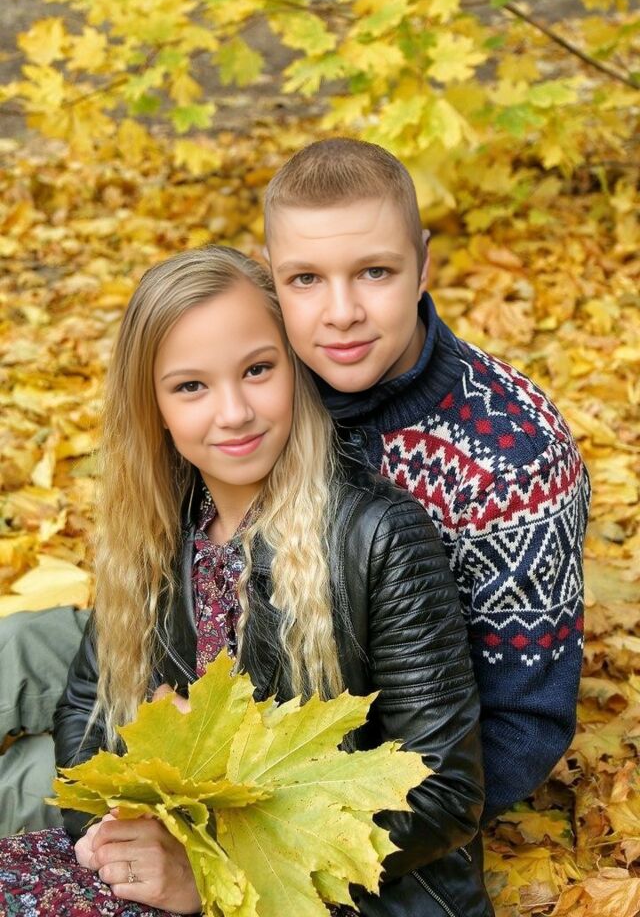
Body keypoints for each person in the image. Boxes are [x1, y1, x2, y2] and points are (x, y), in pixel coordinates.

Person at [0, 246, 492, 917]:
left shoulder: (378, 536)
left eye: (258, 370)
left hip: (329, 891)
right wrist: (107, 834)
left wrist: (210, 869)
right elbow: (89, 704)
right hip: (172, 861)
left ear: (296, 368)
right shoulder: (160, 524)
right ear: (154, 406)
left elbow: (444, 794)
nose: (233, 412)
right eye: (191, 387)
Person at [262, 136, 590, 884]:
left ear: (423, 267)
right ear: (272, 277)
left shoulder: (511, 456)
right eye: (306, 278)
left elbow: (521, 726)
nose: (341, 313)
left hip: (372, 793)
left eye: (374, 272)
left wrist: (330, 835)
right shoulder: (258, 385)